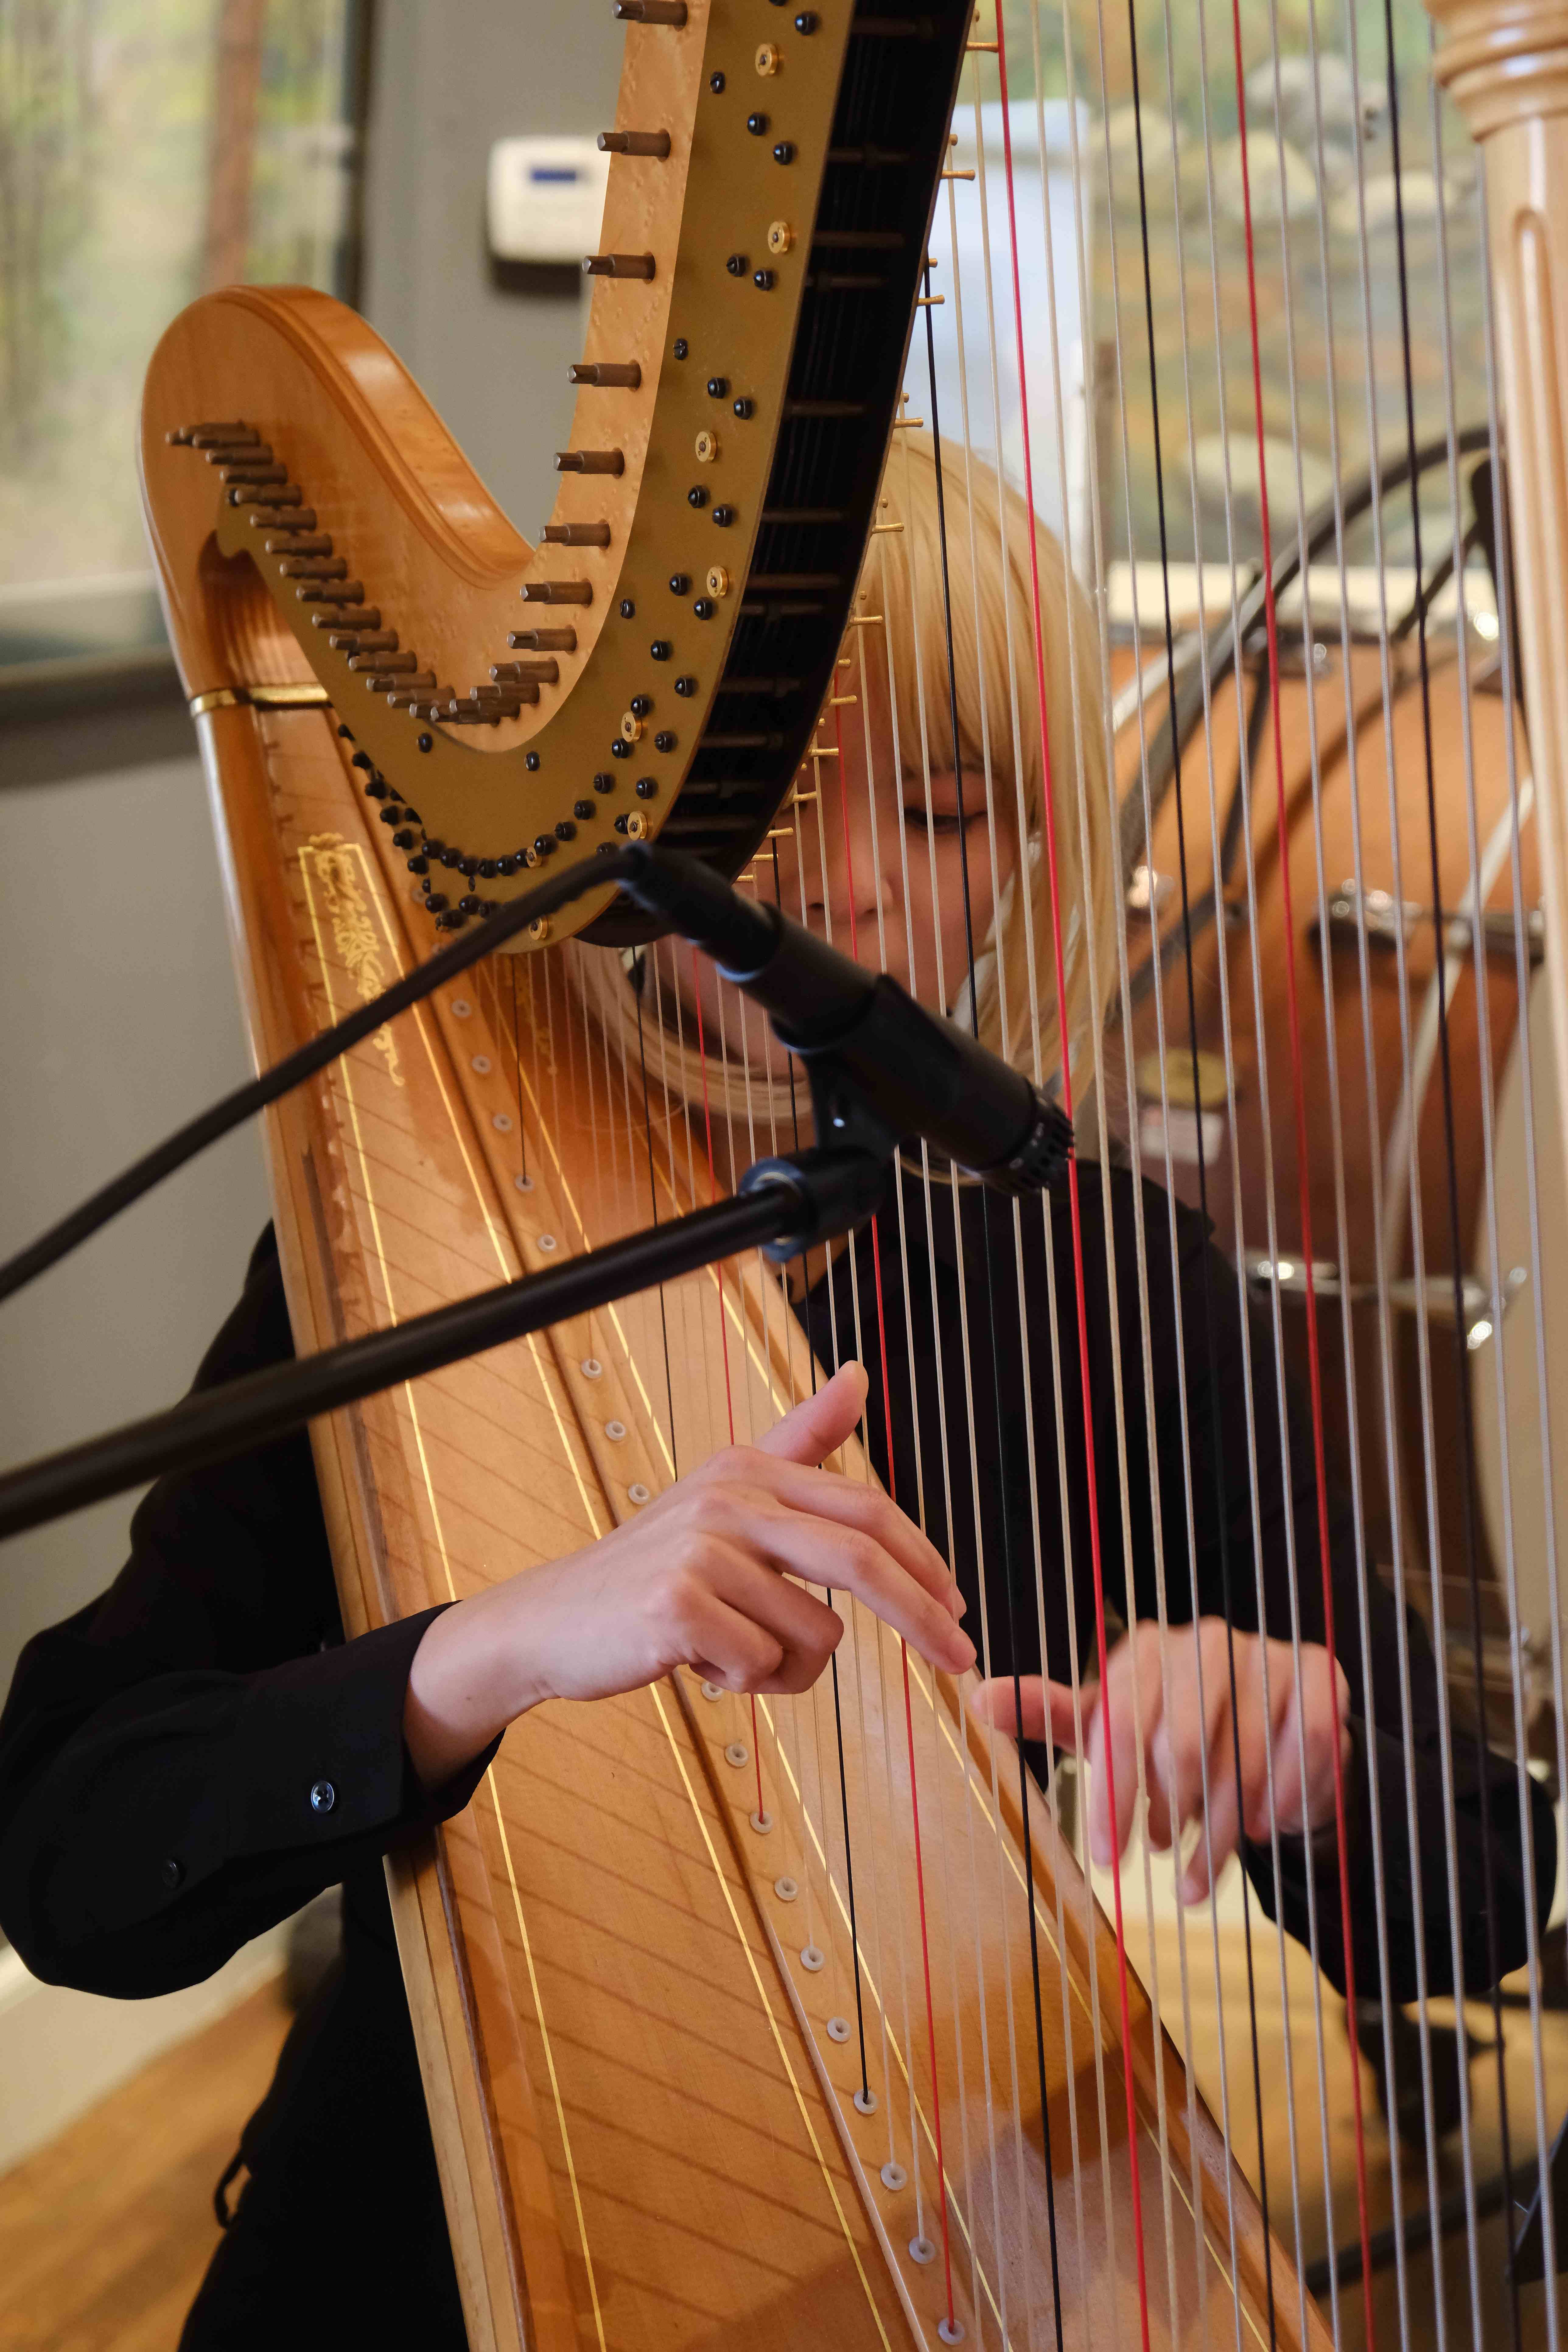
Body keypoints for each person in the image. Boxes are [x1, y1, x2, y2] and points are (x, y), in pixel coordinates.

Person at [0, 435, 1550, 2349]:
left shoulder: (1118, 1278)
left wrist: (1312, 1765)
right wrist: (485, 1653)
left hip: (960, 2234)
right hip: (410, 2261)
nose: (863, 895)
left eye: (951, 812)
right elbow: (68, 1854)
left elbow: (1484, 1894)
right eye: (782, 806)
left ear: (1037, 848)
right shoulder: (421, 1249)